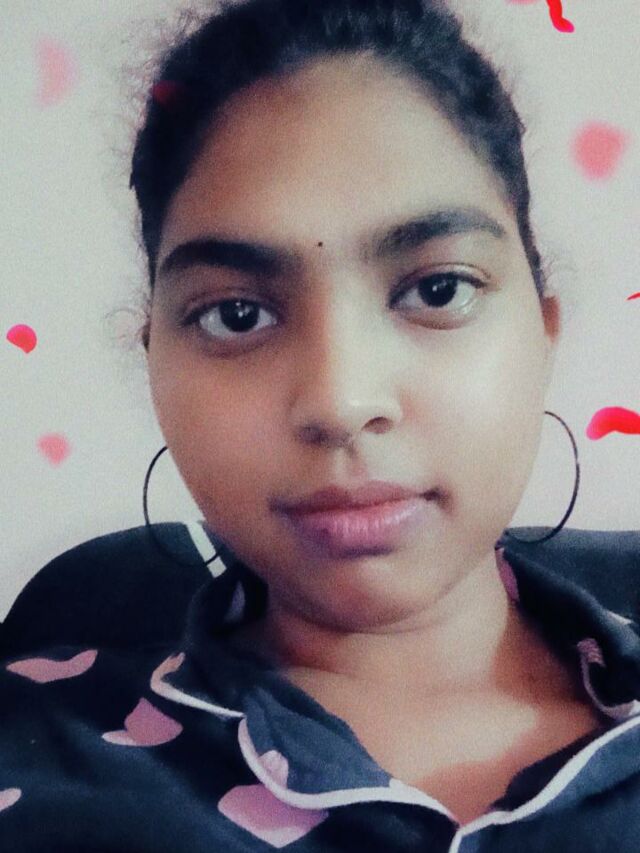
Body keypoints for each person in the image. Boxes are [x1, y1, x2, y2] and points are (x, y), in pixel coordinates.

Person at [2, 0, 640, 849]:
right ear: (155, 359)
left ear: (543, 330)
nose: (340, 401)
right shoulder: (36, 758)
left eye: (437, 289)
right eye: (236, 314)